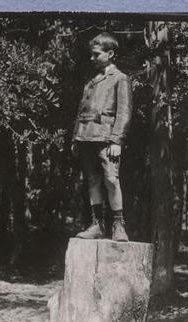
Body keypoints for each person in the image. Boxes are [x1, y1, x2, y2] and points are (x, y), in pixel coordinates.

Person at [71, 32, 132, 241]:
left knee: (111, 179)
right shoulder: (91, 82)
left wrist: (117, 140)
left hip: (107, 138)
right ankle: (97, 225)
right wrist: (75, 138)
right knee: (93, 180)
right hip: (86, 137)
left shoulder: (120, 79)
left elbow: (124, 112)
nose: (92, 58)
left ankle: (118, 225)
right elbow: (81, 110)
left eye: (96, 54)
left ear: (110, 54)